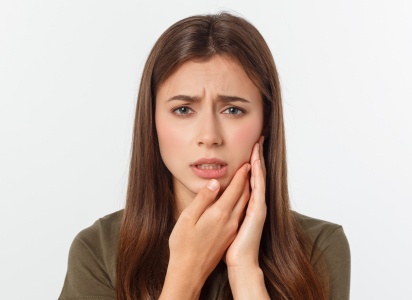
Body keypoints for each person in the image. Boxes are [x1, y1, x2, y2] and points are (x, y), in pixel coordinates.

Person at [59, 12, 350, 300]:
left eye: (233, 109)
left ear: (266, 121)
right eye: (183, 110)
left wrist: (245, 271)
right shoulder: (98, 250)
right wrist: (185, 275)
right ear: (152, 122)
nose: (209, 136)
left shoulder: (317, 247)